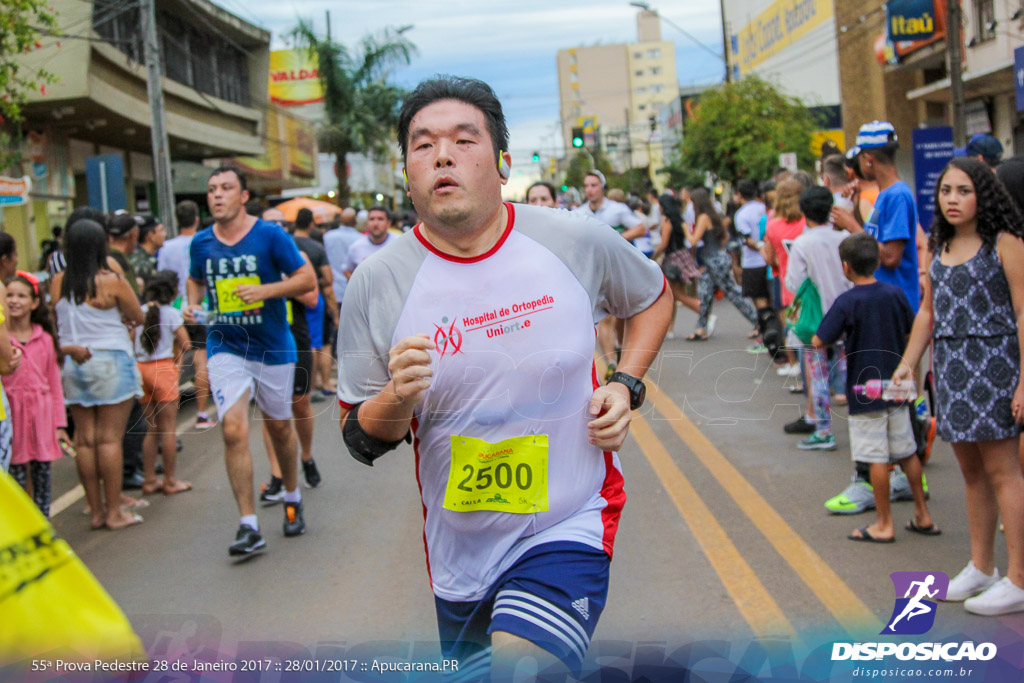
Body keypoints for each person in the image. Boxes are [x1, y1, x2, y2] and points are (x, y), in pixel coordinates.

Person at [336, 75, 672, 679]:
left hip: (569, 520)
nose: (442, 154)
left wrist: (626, 384)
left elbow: (653, 297)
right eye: (423, 144)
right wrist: (396, 396)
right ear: (406, 171)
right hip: (459, 555)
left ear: (502, 162)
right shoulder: (377, 282)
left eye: (464, 141)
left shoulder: (571, 238)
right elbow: (360, 438)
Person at [893, 157, 1024, 615]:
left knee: (1005, 473)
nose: (952, 199)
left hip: (996, 366)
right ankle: (982, 567)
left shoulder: (1005, 244)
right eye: (946, 190)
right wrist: (908, 363)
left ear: (982, 194)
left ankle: (1019, 578)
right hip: (951, 370)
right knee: (971, 474)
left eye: (963, 190)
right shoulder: (938, 245)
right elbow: (927, 312)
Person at [184, 166, 317, 558]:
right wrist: (193, 304)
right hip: (225, 344)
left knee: (278, 427)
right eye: (211, 189)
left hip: (273, 346)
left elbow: (306, 280)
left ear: (243, 195)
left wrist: (266, 289)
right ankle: (248, 525)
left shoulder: (270, 235)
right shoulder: (201, 243)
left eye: (226, 188)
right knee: (233, 429)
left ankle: (292, 497)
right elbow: (195, 279)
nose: (217, 195)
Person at [813, 234, 934, 542]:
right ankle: (922, 514)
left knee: (876, 457)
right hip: (896, 387)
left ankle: (884, 523)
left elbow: (820, 339)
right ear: (878, 262)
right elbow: (912, 332)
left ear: (845, 267)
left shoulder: (847, 301)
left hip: (864, 392)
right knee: (907, 452)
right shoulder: (894, 294)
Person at [52, 219, 145, 530]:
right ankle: (115, 511)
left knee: (85, 440)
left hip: (74, 363)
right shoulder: (111, 280)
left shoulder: (58, 281)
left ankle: (95, 511)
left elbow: (57, 317)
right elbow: (137, 315)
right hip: (110, 362)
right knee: (109, 439)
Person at [257, 207, 324, 500]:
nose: (275, 229)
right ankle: (278, 473)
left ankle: (306, 457)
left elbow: (311, 298)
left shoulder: (298, 259)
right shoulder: (253, 261)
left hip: (296, 339)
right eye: (268, 224)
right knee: (271, 411)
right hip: (265, 341)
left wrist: (278, 285)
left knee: (300, 404)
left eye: (279, 224)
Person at [784, 188, 850, 451]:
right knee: (849, 370)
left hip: (816, 318)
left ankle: (823, 431)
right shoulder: (844, 237)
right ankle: (862, 425)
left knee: (818, 373)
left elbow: (794, 282)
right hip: (847, 311)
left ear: (803, 212)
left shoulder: (803, 243)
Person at [5, 270, 66, 516]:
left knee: (43, 475)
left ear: (35, 302)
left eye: (22, 295)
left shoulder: (44, 339)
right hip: (12, 417)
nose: (14, 301)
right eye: (9, 295)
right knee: (15, 478)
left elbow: (54, 384)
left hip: (41, 417)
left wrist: (59, 424)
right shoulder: (3, 338)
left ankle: (43, 526)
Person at [136, 270, 192, 496]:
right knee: (168, 429)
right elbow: (186, 343)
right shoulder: (172, 314)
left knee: (151, 429)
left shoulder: (140, 311)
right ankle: (170, 480)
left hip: (141, 370)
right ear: (172, 291)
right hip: (163, 368)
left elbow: (131, 338)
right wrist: (177, 361)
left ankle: (149, 480)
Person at [159, 200, 214, 428]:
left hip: (175, 308)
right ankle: (202, 414)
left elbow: (162, 276)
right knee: (202, 360)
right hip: (201, 305)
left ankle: (167, 414)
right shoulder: (204, 242)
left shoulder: (166, 247)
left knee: (176, 359)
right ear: (197, 219)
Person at [686, 188, 758, 341]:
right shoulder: (714, 215)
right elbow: (725, 237)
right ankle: (701, 328)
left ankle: (758, 320)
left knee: (732, 292)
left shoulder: (703, 217)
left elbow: (693, 240)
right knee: (705, 293)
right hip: (716, 257)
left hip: (713, 260)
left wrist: (685, 228)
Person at [292, 208, 338, 402]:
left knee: (299, 342)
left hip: (287, 299)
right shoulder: (316, 248)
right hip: (312, 299)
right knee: (316, 343)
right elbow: (328, 279)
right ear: (311, 224)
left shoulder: (286, 243)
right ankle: (315, 386)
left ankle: (304, 385)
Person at [652, 198, 700, 317]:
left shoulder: (667, 220)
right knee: (674, 295)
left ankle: (704, 312)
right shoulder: (678, 219)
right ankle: (670, 329)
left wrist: (653, 257)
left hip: (672, 259)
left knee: (676, 294)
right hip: (682, 256)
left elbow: (664, 243)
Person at [341, 206, 396, 280]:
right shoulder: (356, 247)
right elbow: (347, 270)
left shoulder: (398, 243)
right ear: (366, 223)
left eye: (380, 219)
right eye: (372, 219)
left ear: (388, 223)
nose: (375, 223)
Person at [128, 215, 165, 286]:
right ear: (151, 236)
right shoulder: (141, 264)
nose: (164, 234)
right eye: (161, 230)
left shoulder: (147, 258)